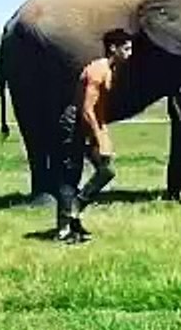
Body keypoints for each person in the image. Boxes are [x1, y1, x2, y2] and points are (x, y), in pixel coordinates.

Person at [54, 31, 132, 243]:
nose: (130, 53)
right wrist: (98, 138)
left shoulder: (110, 69)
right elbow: (87, 109)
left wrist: (104, 136)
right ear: (113, 49)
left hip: (88, 124)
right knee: (71, 176)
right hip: (73, 124)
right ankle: (65, 229)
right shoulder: (98, 70)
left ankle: (75, 212)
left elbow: (99, 109)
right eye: (126, 48)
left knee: (106, 170)